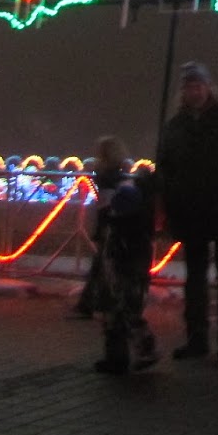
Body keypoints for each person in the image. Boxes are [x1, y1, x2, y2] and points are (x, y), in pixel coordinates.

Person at [155, 61, 218, 364]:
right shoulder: (178, 126)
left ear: (208, 88)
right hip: (193, 213)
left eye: (197, 86)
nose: (193, 91)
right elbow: (166, 168)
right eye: (189, 86)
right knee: (196, 280)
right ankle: (198, 339)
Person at [92, 165, 160, 375]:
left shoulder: (122, 227)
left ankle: (130, 354)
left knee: (121, 313)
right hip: (129, 272)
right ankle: (122, 357)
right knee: (124, 313)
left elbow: (114, 252)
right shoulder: (139, 221)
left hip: (121, 273)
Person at [74, 135, 128, 318]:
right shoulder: (116, 174)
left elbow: (105, 200)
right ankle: (98, 303)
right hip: (111, 220)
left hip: (106, 220)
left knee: (101, 263)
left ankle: (93, 303)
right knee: (104, 263)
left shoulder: (105, 174)